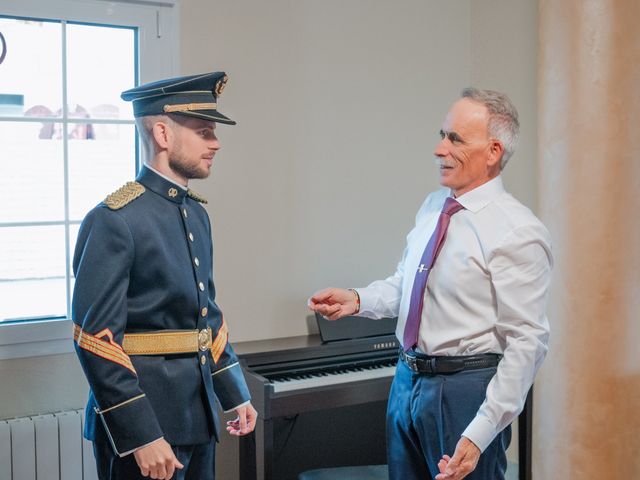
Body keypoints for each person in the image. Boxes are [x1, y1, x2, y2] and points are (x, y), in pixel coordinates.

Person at [309, 88, 552, 480]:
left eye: (455, 138)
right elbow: (407, 285)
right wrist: (357, 300)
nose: (440, 149)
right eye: (442, 135)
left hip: (465, 392)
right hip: (407, 382)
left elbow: (528, 343)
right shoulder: (433, 206)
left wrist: (478, 434)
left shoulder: (518, 231)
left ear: (493, 152)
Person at [72, 71, 257, 480]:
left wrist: (234, 393)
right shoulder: (114, 221)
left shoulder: (197, 214)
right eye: (205, 131)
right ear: (163, 134)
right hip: (145, 429)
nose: (216, 143)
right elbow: (95, 339)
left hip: (197, 415)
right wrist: (141, 433)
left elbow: (206, 315)